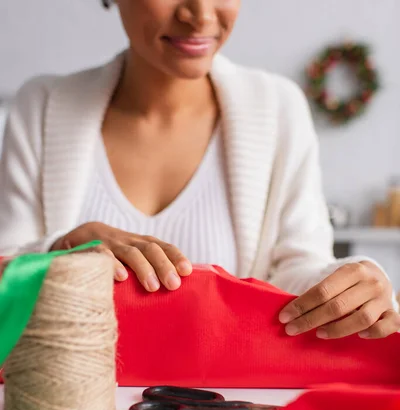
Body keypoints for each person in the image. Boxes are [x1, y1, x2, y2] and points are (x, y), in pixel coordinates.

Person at [0, 0, 398, 340]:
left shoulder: (278, 108)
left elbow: (297, 268)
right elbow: (5, 270)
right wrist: (57, 250)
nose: (202, 15)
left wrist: (355, 284)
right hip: (68, 409)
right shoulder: (43, 106)